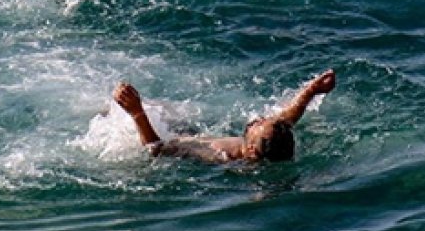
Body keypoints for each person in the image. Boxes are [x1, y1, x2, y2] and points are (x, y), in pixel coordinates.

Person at [113, 69, 336, 163]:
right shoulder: (272, 142)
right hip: (193, 133)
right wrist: (310, 91)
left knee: (111, 114)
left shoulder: (220, 157)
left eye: (258, 125)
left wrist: (136, 112)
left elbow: (155, 150)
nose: (258, 120)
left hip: (167, 143)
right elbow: (287, 120)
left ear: (250, 151)